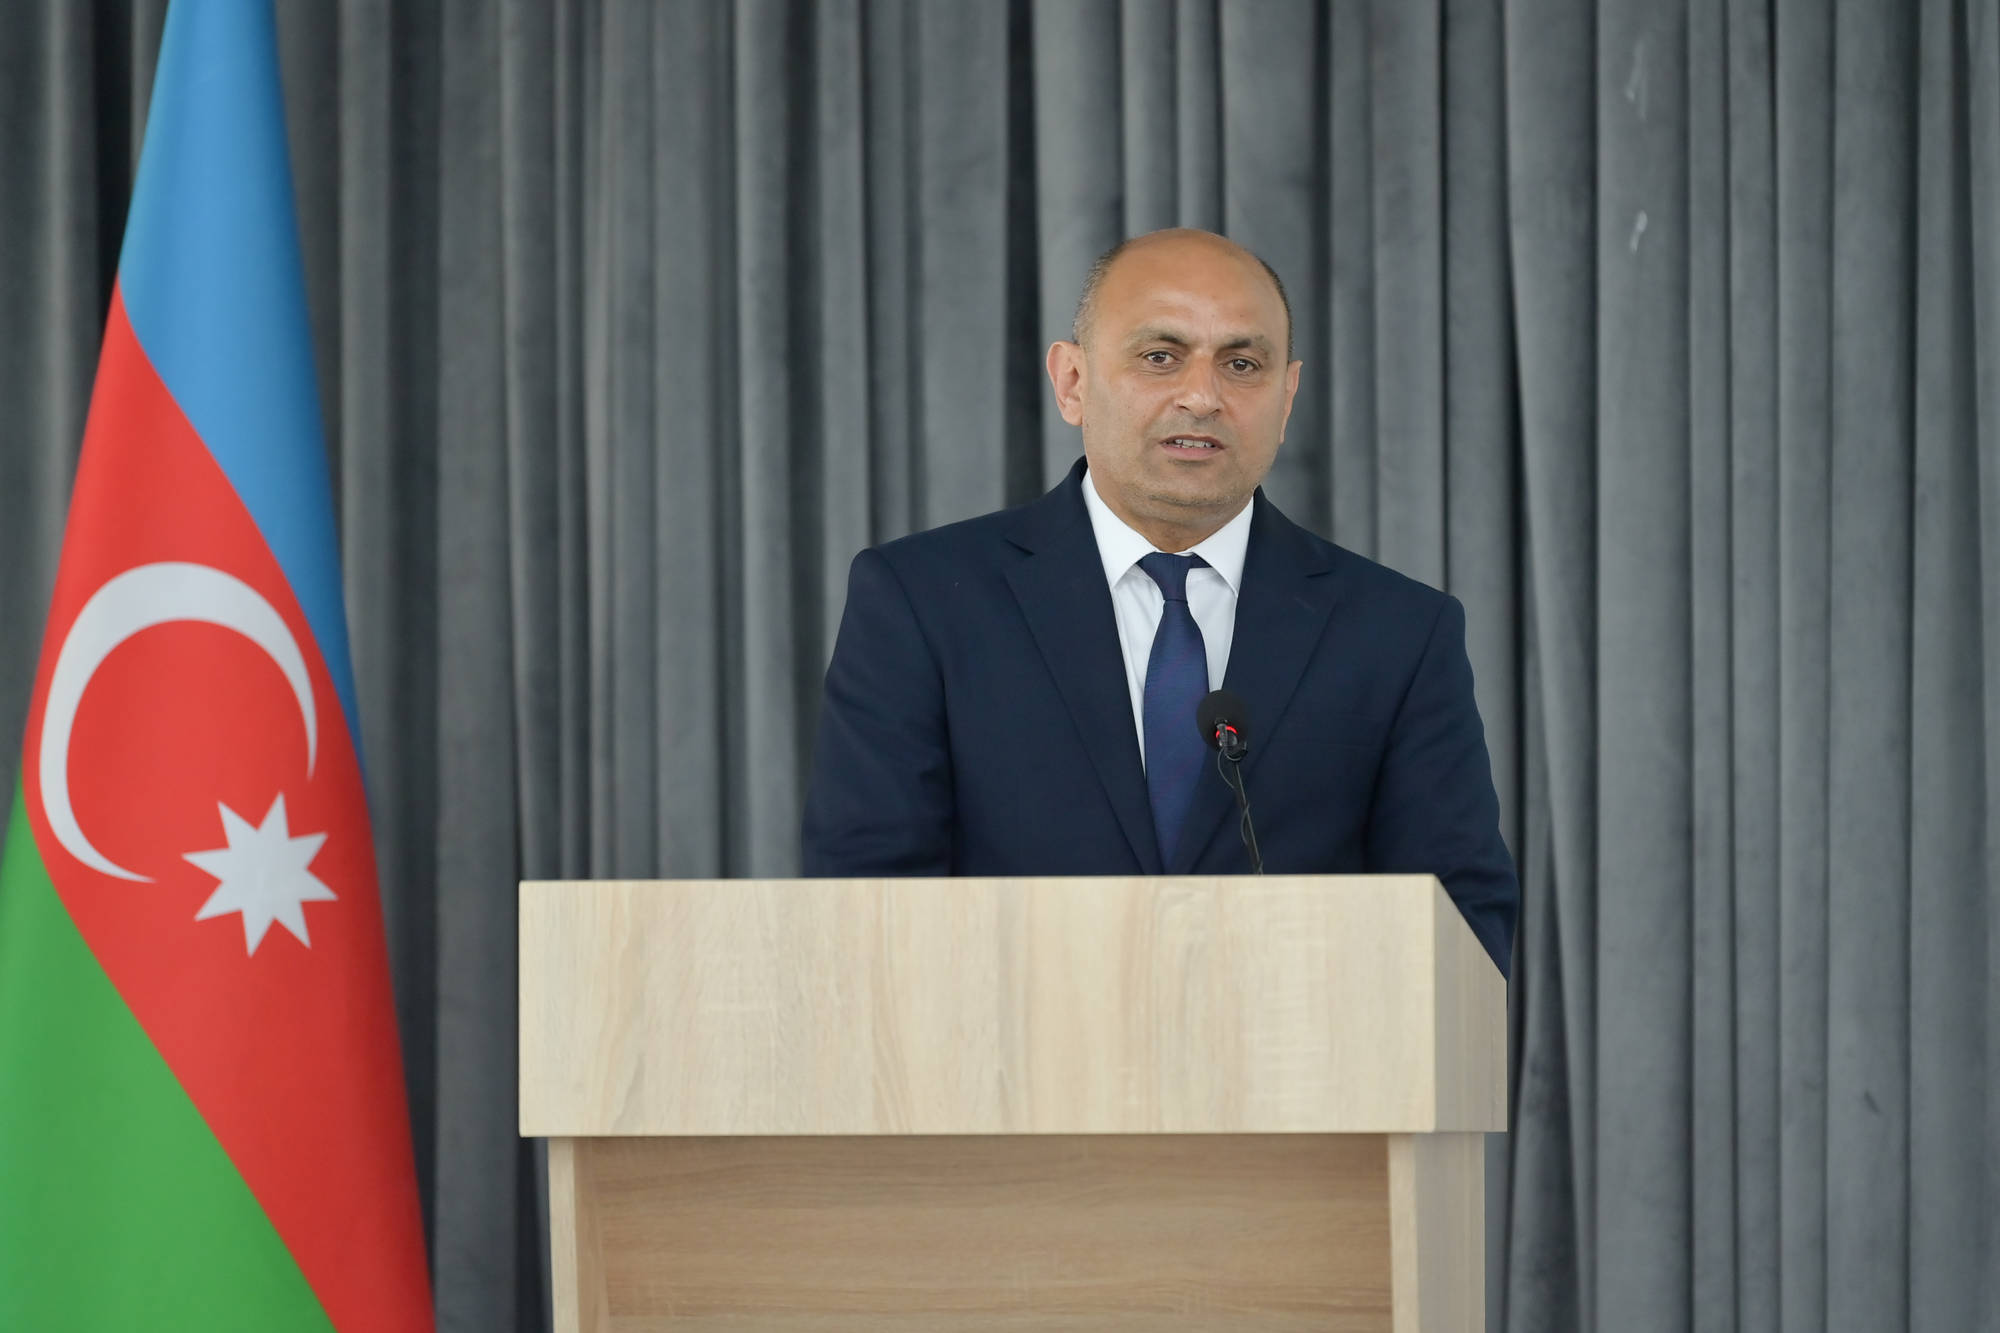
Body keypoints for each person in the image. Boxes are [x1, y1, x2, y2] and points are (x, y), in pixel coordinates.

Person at [801, 228, 1516, 975]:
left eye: (1242, 364)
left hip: (1292, 1047)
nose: (1202, 396)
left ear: (1286, 398)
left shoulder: (1398, 632)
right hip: (1004, 1045)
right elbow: (866, 904)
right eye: (1159, 357)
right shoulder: (923, 602)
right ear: (1072, 382)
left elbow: (1459, 926)